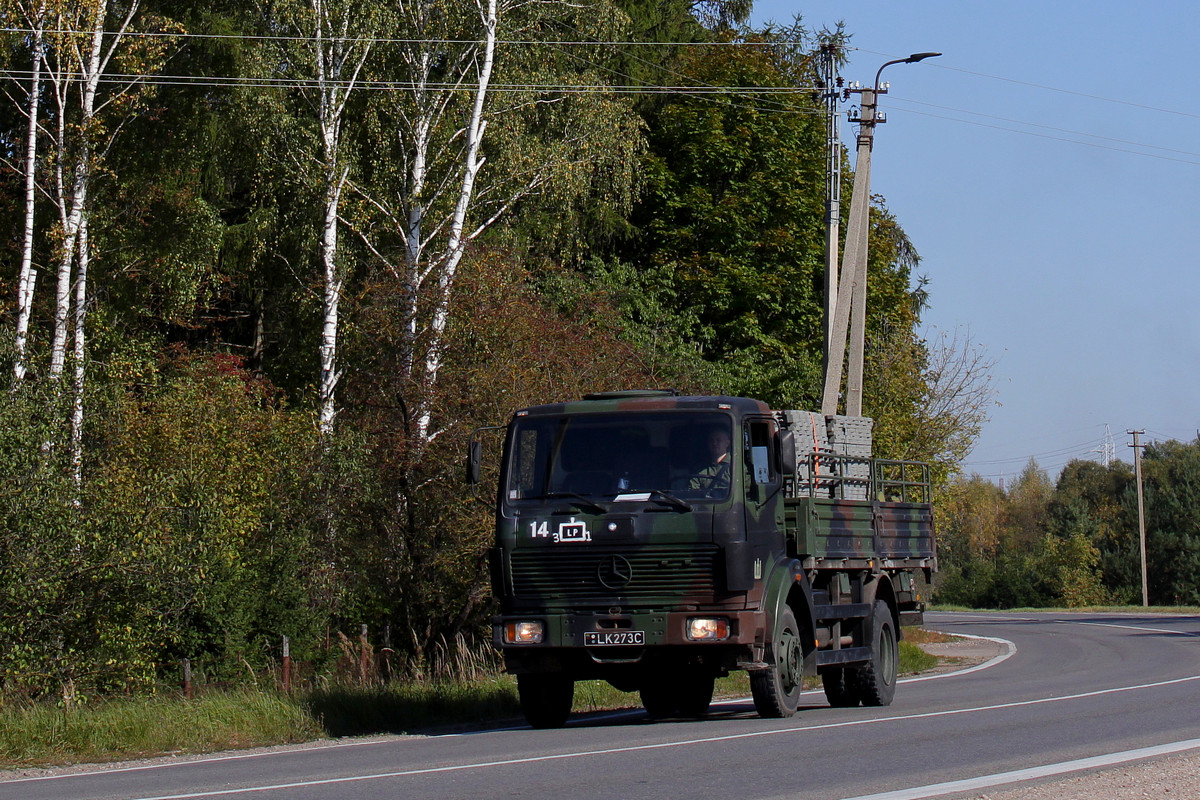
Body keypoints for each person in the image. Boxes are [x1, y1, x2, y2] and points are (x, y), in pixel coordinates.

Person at [690, 427, 732, 493]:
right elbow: (692, 492)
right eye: (711, 440)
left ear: (727, 443)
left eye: (718, 440)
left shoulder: (737, 466)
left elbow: (746, 490)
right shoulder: (700, 469)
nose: (714, 443)